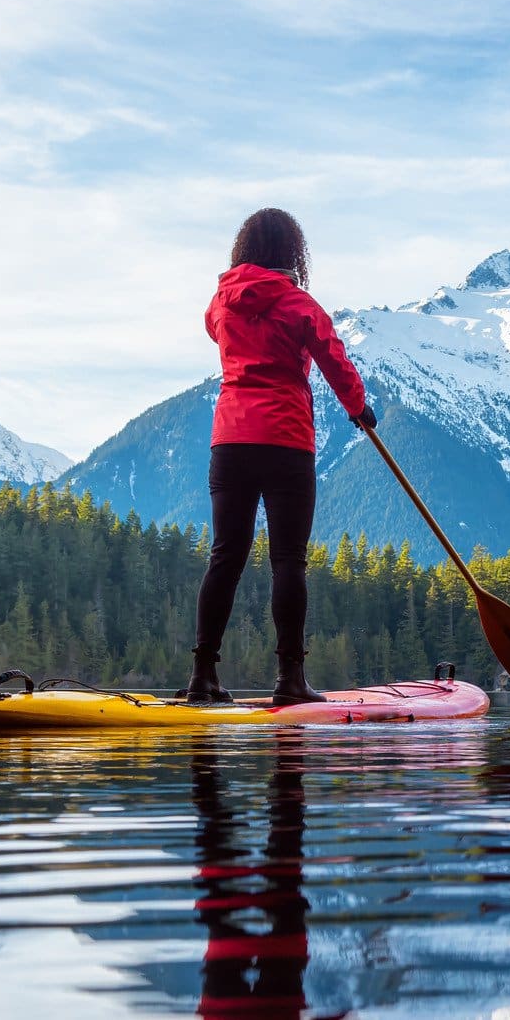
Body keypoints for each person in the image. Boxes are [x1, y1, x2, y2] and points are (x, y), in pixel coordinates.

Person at [186, 207, 375, 706]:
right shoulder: (299, 304)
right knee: (288, 560)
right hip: (287, 438)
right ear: (293, 253)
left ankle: (203, 676)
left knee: (225, 556)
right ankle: (290, 679)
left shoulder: (219, 305)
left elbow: (215, 329)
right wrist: (359, 408)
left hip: (229, 440)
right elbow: (333, 356)